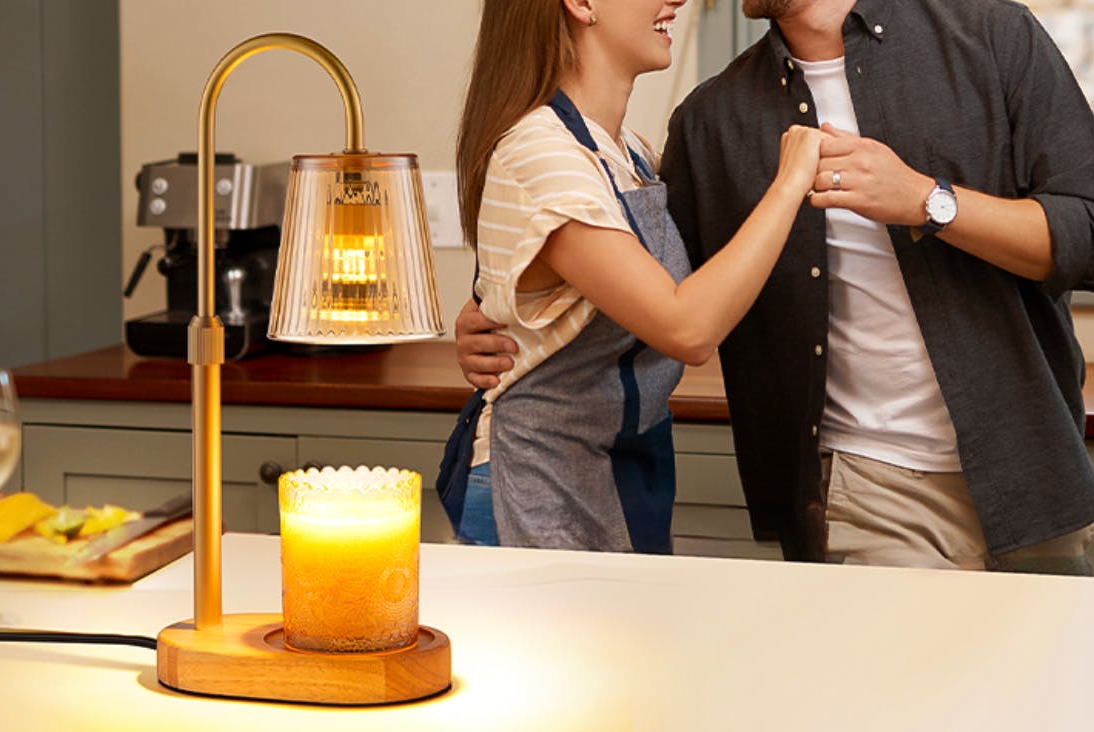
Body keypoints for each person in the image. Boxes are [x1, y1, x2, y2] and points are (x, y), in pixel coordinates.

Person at [456, 0, 1094, 573]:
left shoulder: (994, 36)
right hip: (864, 488)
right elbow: (665, 297)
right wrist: (494, 306)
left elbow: (1085, 233)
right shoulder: (710, 120)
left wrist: (927, 201)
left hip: (1035, 467)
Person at [445, 0, 821, 552]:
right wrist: (791, 181)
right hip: (540, 484)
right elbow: (687, 327)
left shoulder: (628, 153)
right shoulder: (540, 153)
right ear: (582, 4)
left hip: (617, 475)